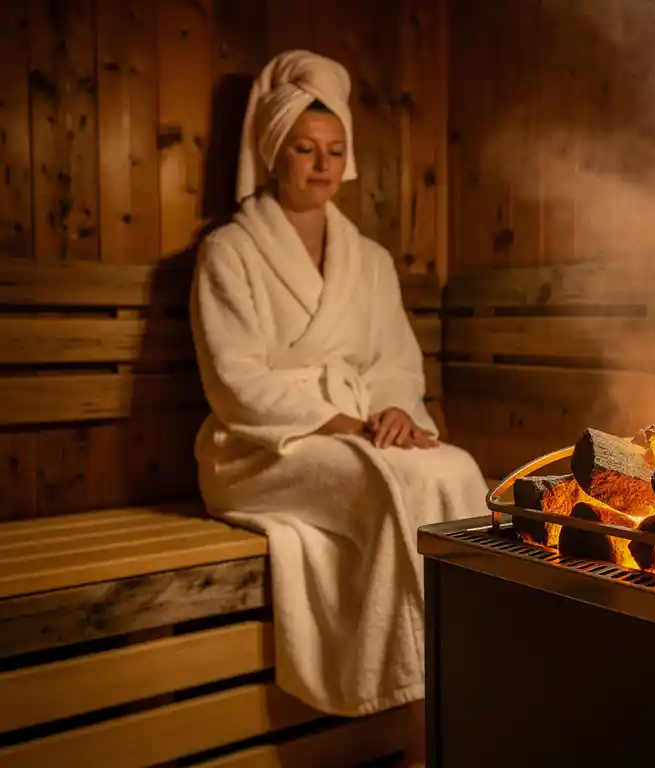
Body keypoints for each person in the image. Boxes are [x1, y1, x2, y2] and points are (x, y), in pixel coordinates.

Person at [189, 49, 488, 767]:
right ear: (274, 153)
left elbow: (394, 363)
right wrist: (340, 423)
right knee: (390, 482)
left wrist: (395, 412)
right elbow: (234, 379)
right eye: (304, 149)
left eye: (333, 150)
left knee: (455, 469)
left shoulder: (370, 260)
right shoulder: (229, 252)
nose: (322, 165)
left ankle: (468, 681)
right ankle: (416, 728)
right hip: (262, 447)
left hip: (359, 429)